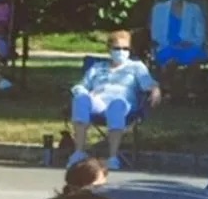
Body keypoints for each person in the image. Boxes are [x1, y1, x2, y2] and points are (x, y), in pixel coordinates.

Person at [67, 29, 162, 169]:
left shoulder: (136, 67)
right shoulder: (97, 67)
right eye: (117, 48)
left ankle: (113, 157)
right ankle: (79, 152)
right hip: (98, 102)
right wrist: (84, 93)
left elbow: (148, 84)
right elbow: (81, 86)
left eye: (125, 48)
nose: (121, 52)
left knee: (117, 105)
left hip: (123, 103)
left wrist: (156, 90)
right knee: (81, 100)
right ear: (109, 49)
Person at [150, 0, 206, 100]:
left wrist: (190, 42)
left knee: (194, 60)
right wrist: (169, 45)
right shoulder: (158, 9)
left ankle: (191, 89)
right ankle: (167, 89)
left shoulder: (194, 9)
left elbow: (200, 32)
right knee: (171, 61)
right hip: (166, 46)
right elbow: (155, 33)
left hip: (189, 46)